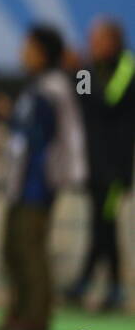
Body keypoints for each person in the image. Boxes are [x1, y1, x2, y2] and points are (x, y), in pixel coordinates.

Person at [0, 25, 87, 330]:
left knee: (30, 248)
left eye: (28, 47)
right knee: (12, 248)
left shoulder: (52, 88)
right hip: (23, 180)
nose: (23, 53)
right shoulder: (40, 86)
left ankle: (35, 320)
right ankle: (18, 314)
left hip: (38, 181)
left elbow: (41, 137)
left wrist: (12, 117)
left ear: (42, 52)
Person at [64, 17, 135, 312]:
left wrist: (79, 70)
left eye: (98, 39)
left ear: (114, 41)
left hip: (116, 168)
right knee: (100, 225)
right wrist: (77, 73)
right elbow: (82, 100)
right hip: (94, 165)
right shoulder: (92, 71)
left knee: (105, 225)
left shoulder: (126, 68)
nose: (93, 44)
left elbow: (108, 101)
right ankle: (90, 283)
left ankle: (110, 285)